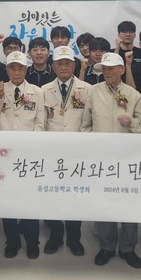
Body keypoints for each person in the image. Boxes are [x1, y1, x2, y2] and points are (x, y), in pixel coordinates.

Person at [81, 52, 141, 269]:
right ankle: (106, 246)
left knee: (128, 201)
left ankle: (128, 248)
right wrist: (91, 149)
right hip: (101, 158)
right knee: (104, 201)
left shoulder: (133, 94)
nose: (107, 72)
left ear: (122, 69)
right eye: (104, 69)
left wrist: (131, 123)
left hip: (127, 158)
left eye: (111, 68)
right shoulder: (93, 91)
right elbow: (85, 125)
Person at [0, 51, 46, 259]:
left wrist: (30, 145)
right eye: (12, 68)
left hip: (28, 155)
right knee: (7, 201)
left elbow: (40, 122)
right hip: (5, 155)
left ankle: (32, 242)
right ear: (7, 70)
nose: (16, 72)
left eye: (20, 68)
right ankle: (12, 241)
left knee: (30, 201)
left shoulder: (37, 92)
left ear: (26, 69)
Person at [42, 45, 91, 256]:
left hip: (77, 152)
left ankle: (74, 238)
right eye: (60, 63)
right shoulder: (44, 90)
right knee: (51, 194)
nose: (64, 67)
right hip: (51, 152)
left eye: (68, 63)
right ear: (53, 66)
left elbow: (89, 121)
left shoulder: (87, 89)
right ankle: (55, 235)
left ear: (74, 66)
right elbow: (42, 121)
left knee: (75, 196)